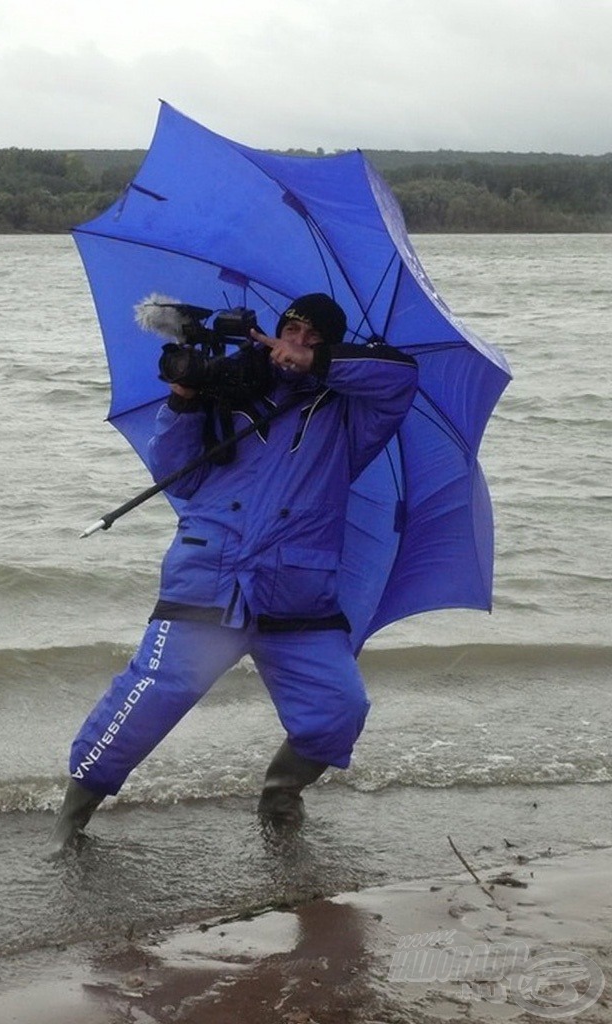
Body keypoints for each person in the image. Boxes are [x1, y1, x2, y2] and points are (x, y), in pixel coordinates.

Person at [49, 293, 418, 853]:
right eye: (291, 328)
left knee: (339, 711)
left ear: (331, 345)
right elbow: (179, 479)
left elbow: (399, 375)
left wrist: (314, 365)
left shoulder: (352, 414)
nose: (296, 341)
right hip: (210, 576)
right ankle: (71, 820)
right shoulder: (232, 392)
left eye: (312, 336)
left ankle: (280, 793)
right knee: (148, 699)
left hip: (298, 595)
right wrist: (186, 398)